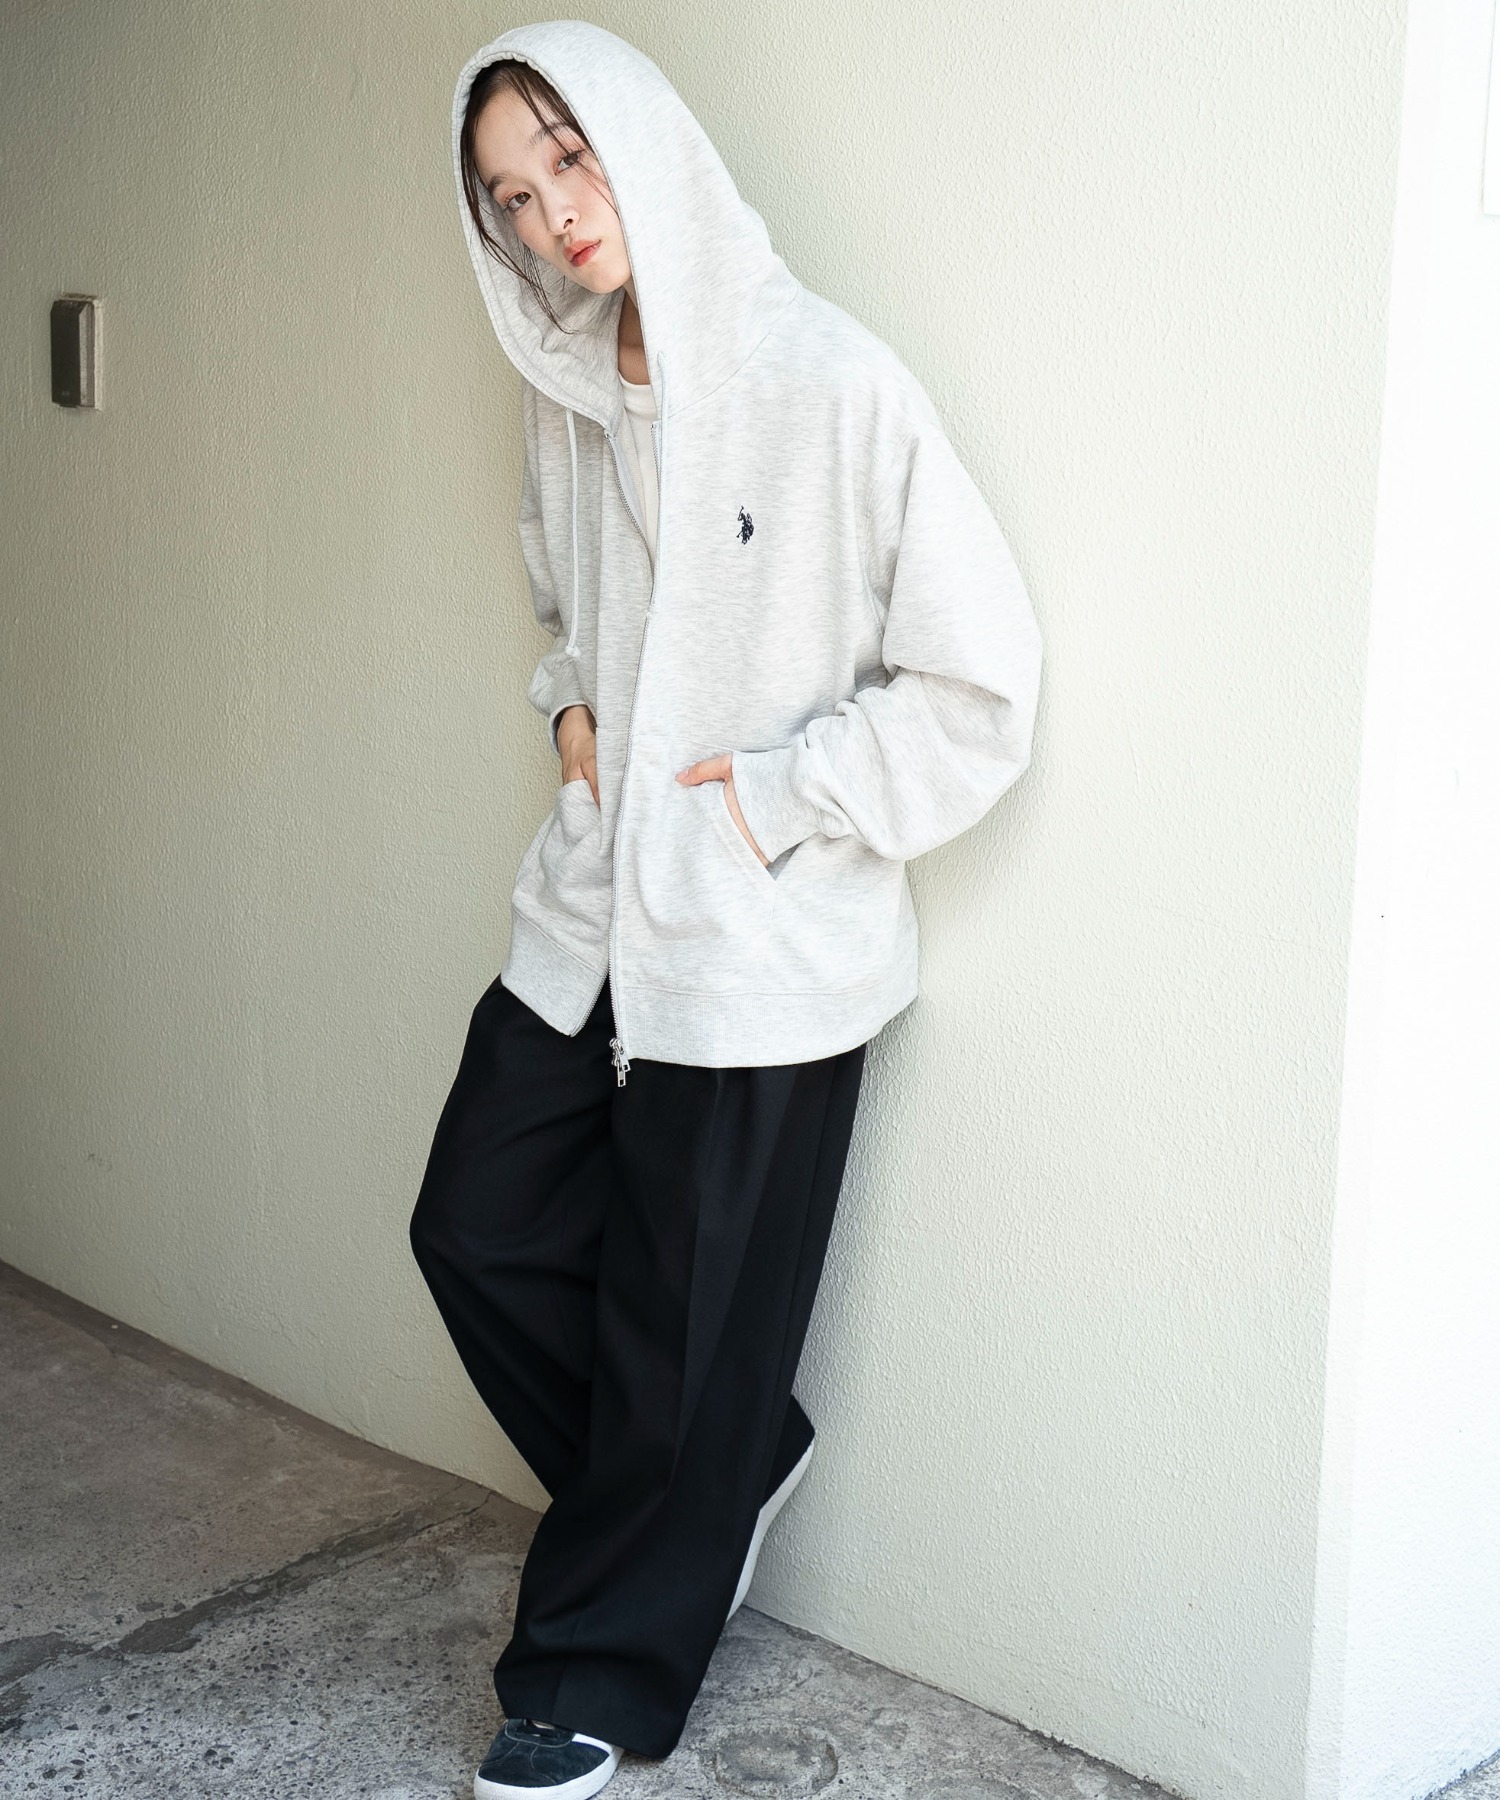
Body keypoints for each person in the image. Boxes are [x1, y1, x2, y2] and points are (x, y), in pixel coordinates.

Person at [409, 20, 1044, 1800]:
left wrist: (780, 802)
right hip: (599, 899)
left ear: (642, 136)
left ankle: (595, 1674)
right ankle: (720, 1462)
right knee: (477, 1223)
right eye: (510, 196)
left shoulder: (829, 381)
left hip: (768, 933)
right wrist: (570, 715)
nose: (550, 214)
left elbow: (983, 684)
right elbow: (564, 606)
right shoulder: (564, 394)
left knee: (677, 1321)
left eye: (568, 159)